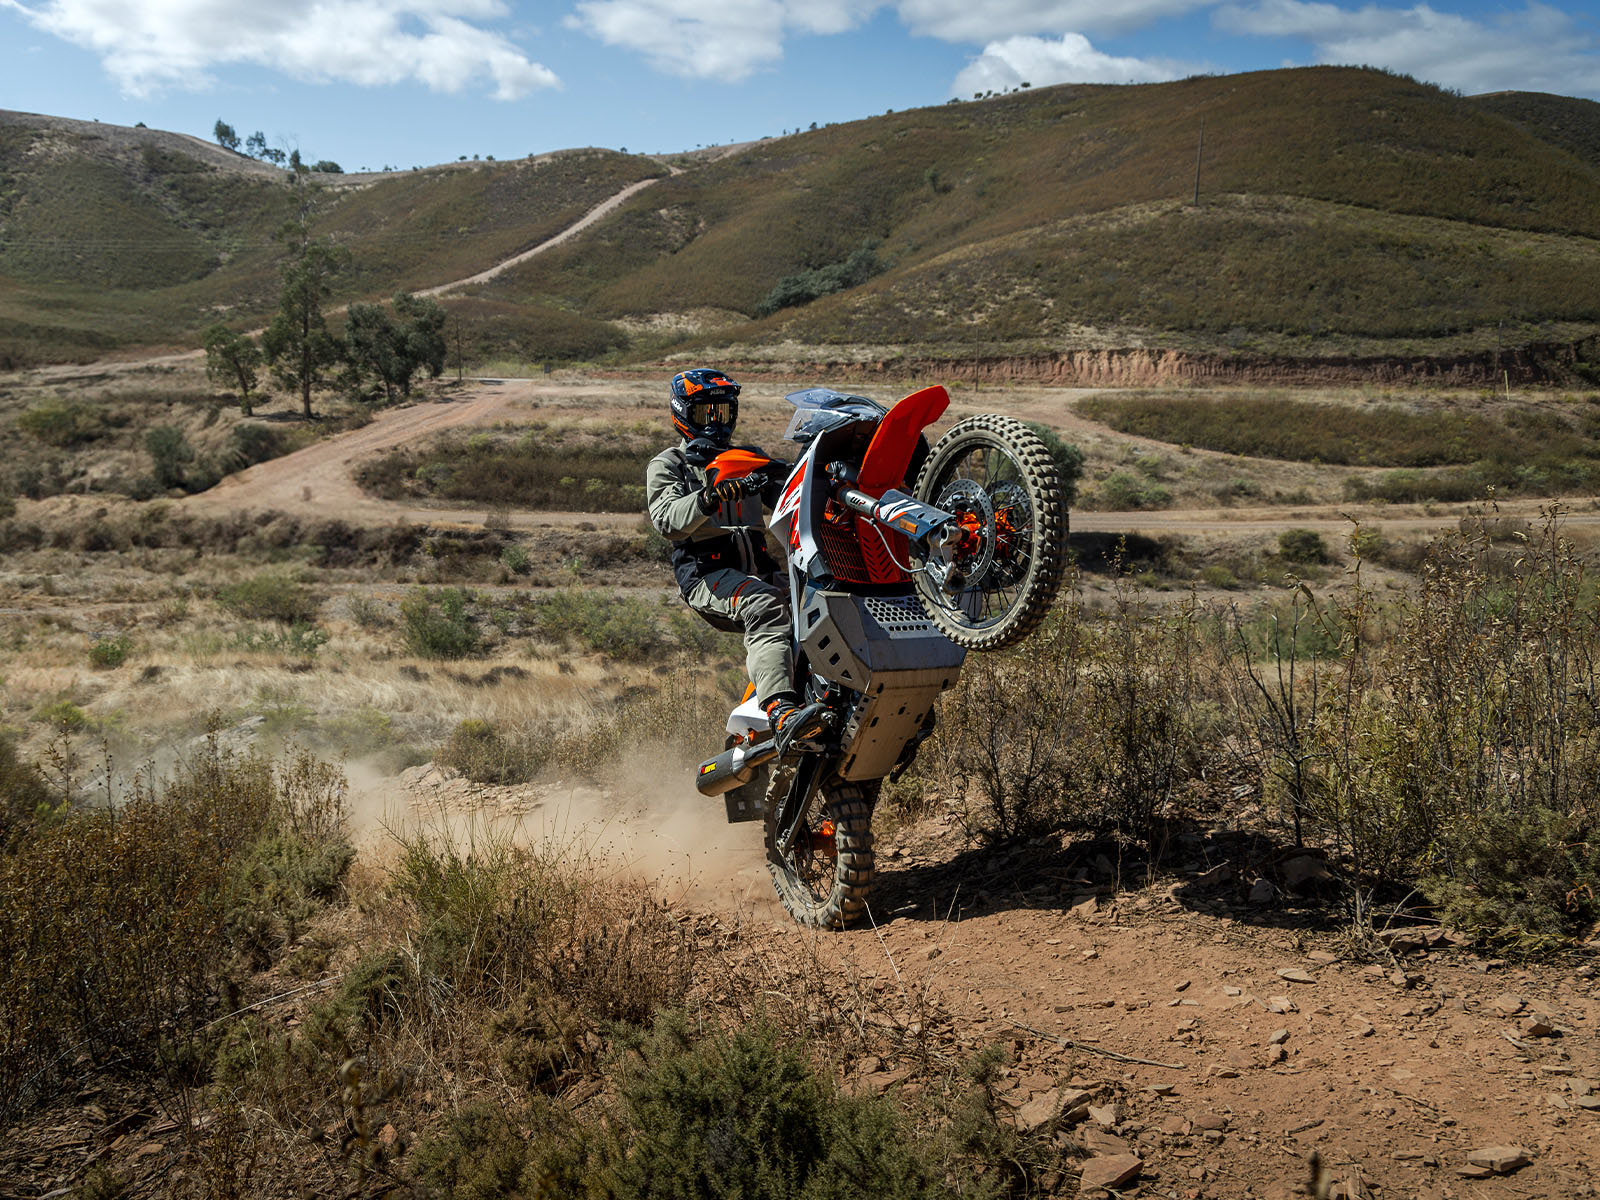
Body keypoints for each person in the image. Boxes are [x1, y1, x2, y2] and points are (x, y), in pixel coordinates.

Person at [645, 367, 828, 755]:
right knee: (765, 605)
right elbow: (666, 519)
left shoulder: (746, 458)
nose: (714, 423)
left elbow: (795, 488)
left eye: (722, 413)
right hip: (707, 576)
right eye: (704, 413)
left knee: (828, 600)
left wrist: (807, 473)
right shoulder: (670, 464)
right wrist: (710, 496)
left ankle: (835, 699)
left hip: (762, 571)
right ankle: (780, 710)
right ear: (682, 414)